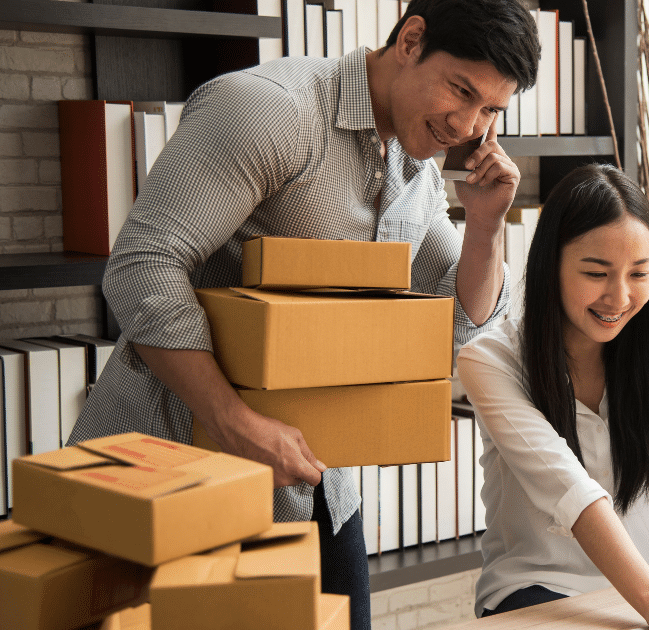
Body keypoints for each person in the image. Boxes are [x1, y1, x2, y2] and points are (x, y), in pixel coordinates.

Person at [67, 1, 540, 628]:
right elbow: (141, 267)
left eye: (490, 110)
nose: (468, 124)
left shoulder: (414, 169)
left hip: (314, 486)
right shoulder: (268, 110)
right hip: (173, 465)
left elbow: (460, 324)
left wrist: (484, 227)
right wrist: (233, 420)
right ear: (411, 40)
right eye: (461, 90)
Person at [457, 163, 649, 630]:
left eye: (638, 273)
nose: (619, 297)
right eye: (597, 273)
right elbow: (571, 491)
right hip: (543, 586)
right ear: (551, 264)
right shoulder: (490, 361)